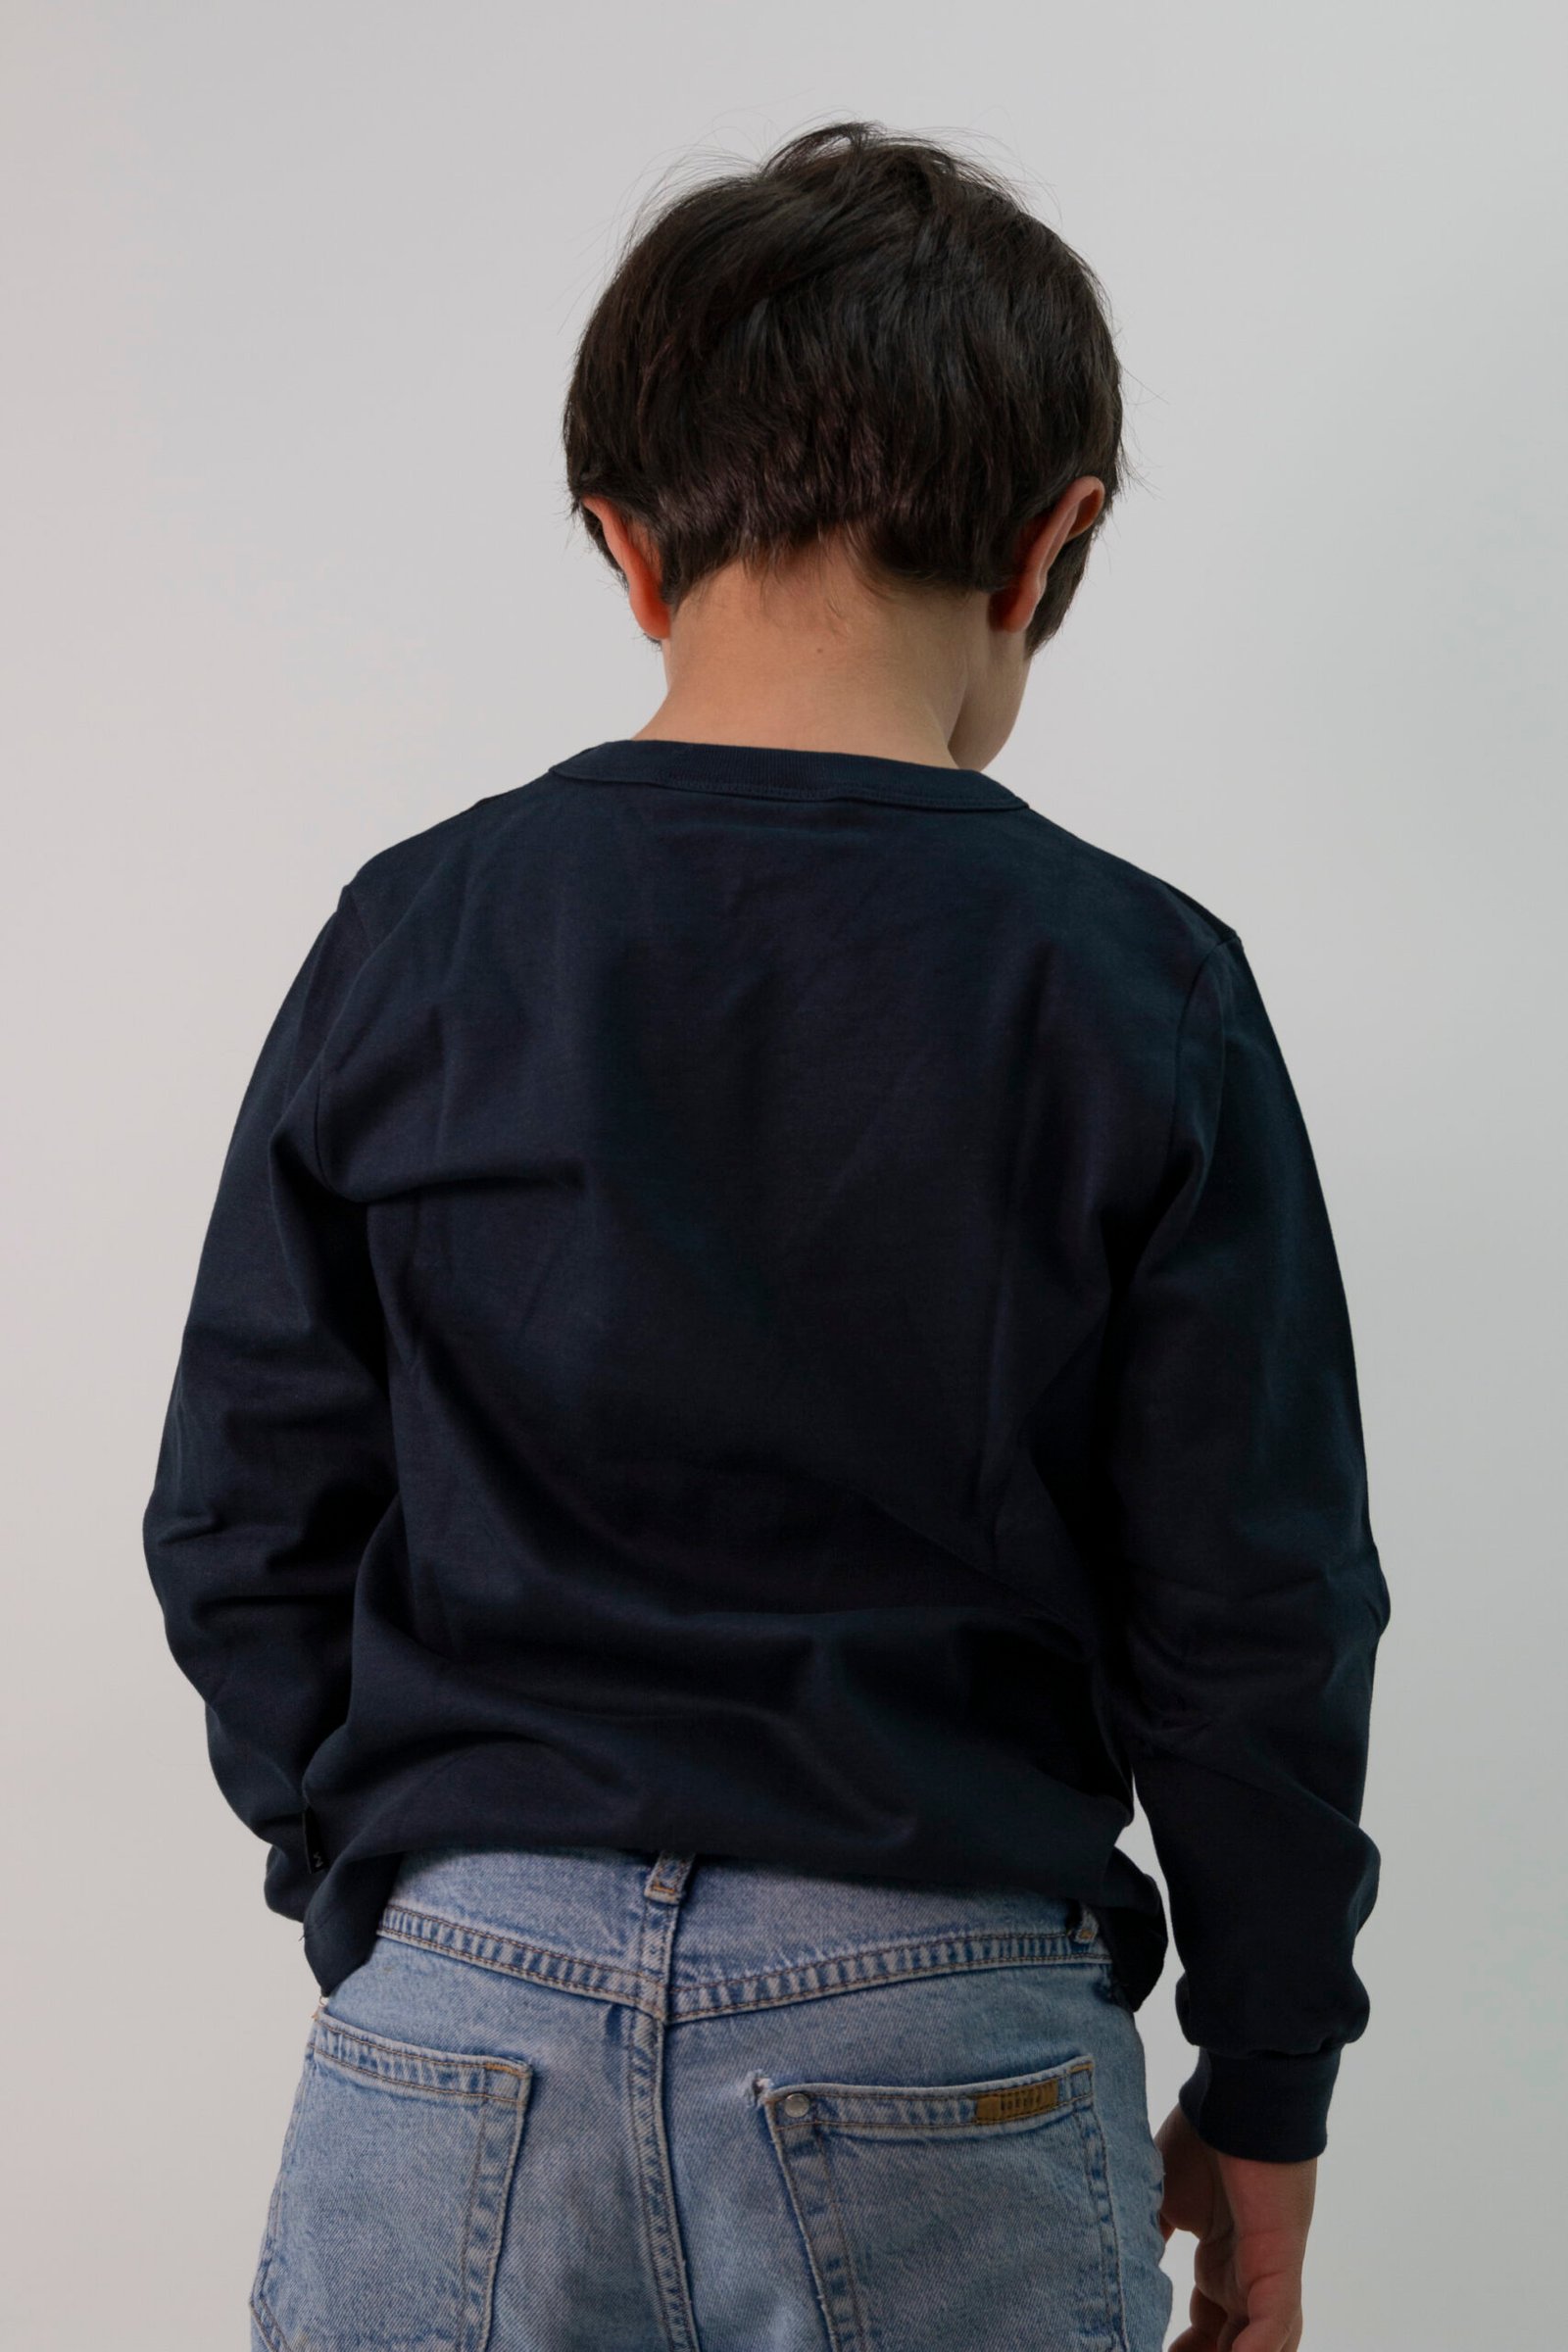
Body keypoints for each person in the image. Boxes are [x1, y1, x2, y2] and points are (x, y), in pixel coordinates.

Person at [143, 119, 1389, 2352]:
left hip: (458, 2008)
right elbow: (1253, 1606)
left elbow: (242, 1516)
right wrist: (1269, 2073)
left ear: (623, 551)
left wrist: (403, 1892)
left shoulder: (416, 936)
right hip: (937, 2018)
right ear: (1052, 542)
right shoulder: (1140, 988)